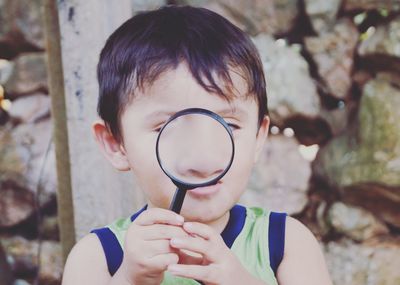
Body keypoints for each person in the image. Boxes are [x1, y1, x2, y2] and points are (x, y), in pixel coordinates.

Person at [62, 5, 332, 285]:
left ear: (257, 138)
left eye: (229, 126)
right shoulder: (97, 257)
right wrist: (129, 279)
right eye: (167, 128)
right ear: (116, 144)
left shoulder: (286, 242)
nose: (203, 160)